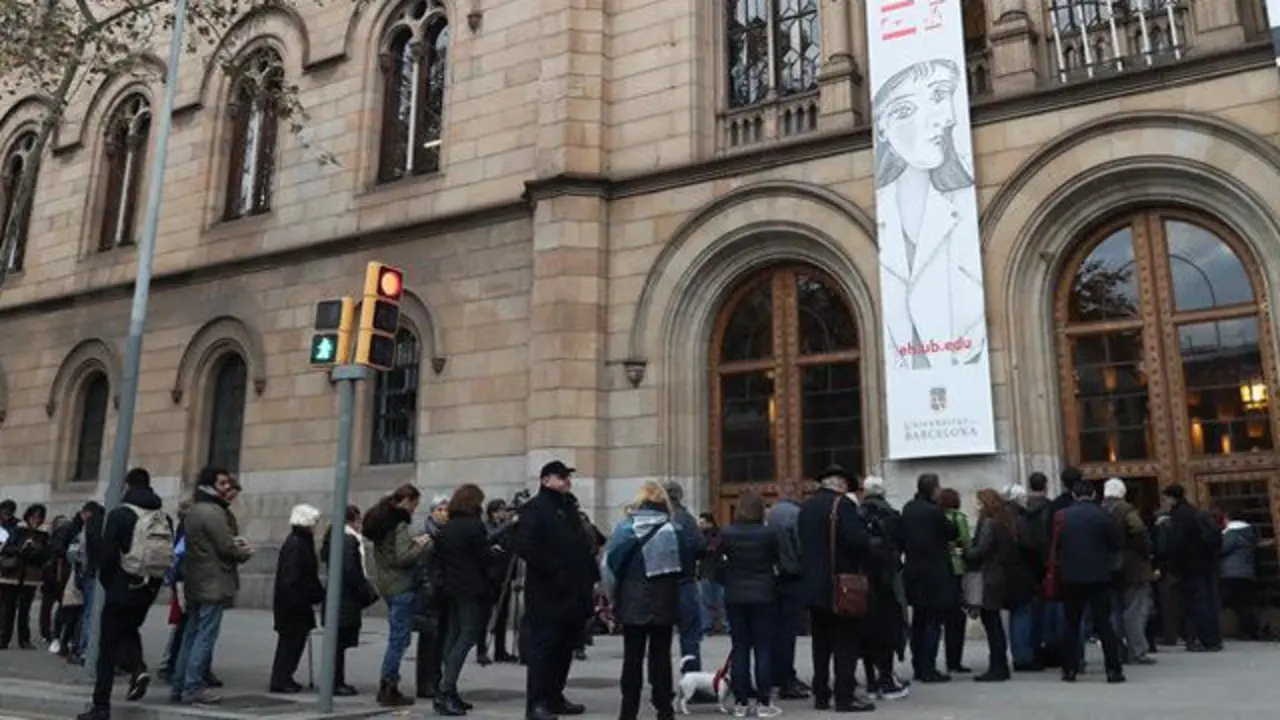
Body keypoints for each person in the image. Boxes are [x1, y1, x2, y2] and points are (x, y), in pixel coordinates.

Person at [873, 57, 985, 371]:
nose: (943, 118)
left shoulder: (966, 208)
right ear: (881, 129)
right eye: (906, 110)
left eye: (940, 96)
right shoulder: (880, 211)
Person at [517, 461, 598, 720]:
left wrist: (591, 578)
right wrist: (555, 570)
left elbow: (581, 545)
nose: (566, 481)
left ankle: (555, 696)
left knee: (565, 648)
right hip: (548, 592)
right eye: (561, 477)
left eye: (567, 477)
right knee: (544, 649)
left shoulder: (568, 507)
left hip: (574, 592)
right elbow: (527, 546)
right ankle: (537, 702)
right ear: (545, 480)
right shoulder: (535, 509)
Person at [169, 467, 252, 705]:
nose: (227, 487)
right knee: (204, 636)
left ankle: (180, 685)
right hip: (212, 582)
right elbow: (226, 547)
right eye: (223, 483)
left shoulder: (194, 510)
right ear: (210, 485)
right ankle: (193, 686)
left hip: (197, 580)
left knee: (190, 634)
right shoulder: (213, 512)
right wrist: (244, 551)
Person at [797, 466, 874, 713]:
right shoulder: (843, 506)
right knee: (845, 642)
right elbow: (856, 540)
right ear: (841, 485)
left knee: (821, 642)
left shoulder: (806, 507)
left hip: (813, 585)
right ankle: (844, 695)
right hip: (841, 585)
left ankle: (820, 694)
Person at [603, 480, 682, 720]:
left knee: (632, 658)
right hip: (665, 599)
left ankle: (628, 711)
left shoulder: (626, 529)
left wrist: (610, 597)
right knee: (661, 658)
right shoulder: (675, 529)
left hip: (632, 598)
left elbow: (610, 566)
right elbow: (686, 565)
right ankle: (664, 709)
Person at [363, 483, 431, 708]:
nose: (414, 509)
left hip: (387, 583)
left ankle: (388, 684)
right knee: (399, 639)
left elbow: (391, 554)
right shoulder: (399, 524)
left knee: (399, 636)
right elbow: (403, 556)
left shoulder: (382, 523)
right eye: (414, 504)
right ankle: (388, 686)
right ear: (407, 501)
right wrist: (421, 544)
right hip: (401, 585)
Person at [718, 490, 781, 718]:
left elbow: (715, 564)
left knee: (740, 647)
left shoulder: (727, 533)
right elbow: (779, 560)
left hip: (735, 594)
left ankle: (741, 702)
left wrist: (726, 580)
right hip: (764, 593)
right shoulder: (769, 533)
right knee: (763, 648)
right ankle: (764, 702)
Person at [1056, 482, 1125, 684]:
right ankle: (1113, 670)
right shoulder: (1105, 515)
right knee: (1104, 623)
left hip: (1071, 576)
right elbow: (1118, 543)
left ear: (1074, 496)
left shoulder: (1062, 516)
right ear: (1094, 495)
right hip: (1100, 575)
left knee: (1071, 624)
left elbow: (1054, 544)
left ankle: (1069, 669)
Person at [436, 484, 492, 716]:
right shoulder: (473, 526)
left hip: (451, 587)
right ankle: (446, 689)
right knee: (467, 635)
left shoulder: (448, 527)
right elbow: (483, 558)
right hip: (470, 587)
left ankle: (448, 688)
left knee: (453, 634)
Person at [902, 474, 959, 683]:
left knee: (919, 621)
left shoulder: (909, 508)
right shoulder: (934, 512)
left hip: (914, 571)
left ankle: (918, 665)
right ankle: (928, 667)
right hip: (934, 574)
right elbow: (951, 532)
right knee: (933, 623)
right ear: (932, 490)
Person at [856, 476, 909, 701]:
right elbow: (901, 546)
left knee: (868, 631)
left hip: (863, 581)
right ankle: (886, 679)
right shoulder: (892, 515)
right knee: (888, 629)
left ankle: (870, 681)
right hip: (887, 581)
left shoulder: (857, 515)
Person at [963, 489, 1021, 683]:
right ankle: (1000, 665)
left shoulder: (988, 523)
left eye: (978, 502)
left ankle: (997, 666)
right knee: (994, 623)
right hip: (999, 575)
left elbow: (980, 551)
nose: (975, 506)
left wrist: (965, 549)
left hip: (989, 577)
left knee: (992, 624)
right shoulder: (1004, 521)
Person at [269, 504, 325, 693]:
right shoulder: (298, 544)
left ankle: (284, 677)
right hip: (294, 604)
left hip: (294, 603)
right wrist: (310, 595)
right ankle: (281, 679)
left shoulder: (298, 542)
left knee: (292, 642)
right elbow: (295, 577)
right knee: (291, 643)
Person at [1161, 484, 1222, 652]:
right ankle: (1212, 637)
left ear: (1173, 498)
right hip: (1203, 564)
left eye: (1166, 498)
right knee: (1206, 600)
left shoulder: (1181, 516)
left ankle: (1204, 638)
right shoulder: (1193, 512)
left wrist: (1172, 564)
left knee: (1196, 602)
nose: (1165, 502)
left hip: (1190, 566)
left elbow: (1177, 543)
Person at [1101, 478, 1155, 665]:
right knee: (1135, 610)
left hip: (1108, 568)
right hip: (1132, 567)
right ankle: (1137, 650)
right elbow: (1138, 530)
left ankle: (1118, 649)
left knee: (1115, 610)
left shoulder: (1100, 510)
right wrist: (1147, 551)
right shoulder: (1126, 510)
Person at [765, 480, 808, 700]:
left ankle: (774, 674)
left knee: (775, 630)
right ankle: (786, 677)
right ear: (796, 492)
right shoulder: (796, 514)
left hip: (773, 579)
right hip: (793, 577)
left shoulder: (770, 514)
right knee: (787, 632)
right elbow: (801, 547)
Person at [662, 480, 707, 674]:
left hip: (660, 584)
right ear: (679, 496)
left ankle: (661, 685)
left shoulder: (658, 518)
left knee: (660, 638)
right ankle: (692, 678)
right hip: (685, 583)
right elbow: (700, 546)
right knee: (690, 636)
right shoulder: (686, 519)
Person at [1009, 472, 1052, 671]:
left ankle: (1025, 652)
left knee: (1021, 614)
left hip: (1013, 572)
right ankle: (1024, 656)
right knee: (1024, 614)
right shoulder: (1021, 518)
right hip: (1023, 572)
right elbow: (1030, 545)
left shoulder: (1007, 516)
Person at [0, 503, 50, 650]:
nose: (35, 520)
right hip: (14, 573)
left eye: (38, 517)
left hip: (31, 575)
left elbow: (48, 553)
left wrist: (38, 550)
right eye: (33, 516)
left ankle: (24, 639)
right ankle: (4, 638)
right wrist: (22, 548)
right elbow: (7, 548)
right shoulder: (19, 530)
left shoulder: (43, 534)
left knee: (25, 609)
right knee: (8, 608)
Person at [937, 487, 971, 675]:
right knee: (957, 618)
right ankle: (954, 661)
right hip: (957, 569)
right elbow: (966, 542)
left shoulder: (936, 517)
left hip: (940, 569)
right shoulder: (958, 518)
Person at [1219, 507, 1262, 641]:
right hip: (1248, 573)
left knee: (1220, 601)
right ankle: (1249, 631)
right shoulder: (1250, 532)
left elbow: (1222, 549)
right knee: (1245, 604)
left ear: (1228, 518)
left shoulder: (1231, 534)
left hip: (1230, 573)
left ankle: (1210, 630)